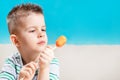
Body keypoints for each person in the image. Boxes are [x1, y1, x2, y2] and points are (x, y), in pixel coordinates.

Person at [0, 3, 59, 80]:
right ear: (16, 40)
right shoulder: (12, 63)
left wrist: (44, 69)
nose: (41, 34)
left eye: (43, 29)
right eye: (32, 30)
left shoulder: (51, 62)